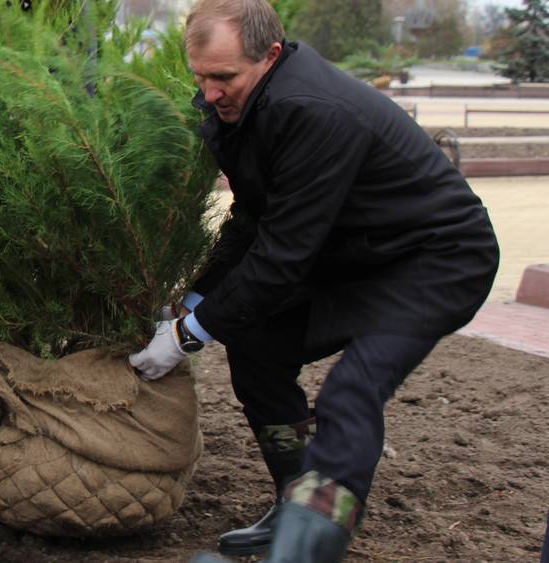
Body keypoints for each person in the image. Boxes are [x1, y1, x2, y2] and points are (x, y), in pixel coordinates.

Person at [128, 0, 499, 561]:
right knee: (256, 348)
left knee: (354, 387)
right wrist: (194, 302)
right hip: (353, 255)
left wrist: (188, 335)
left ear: (270, 55)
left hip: (437, 259)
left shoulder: (313, 110)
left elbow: (282, 257)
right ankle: (291, 500)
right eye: (199, 77)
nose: (207, 93)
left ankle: (314, 534)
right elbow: (253, 219)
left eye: (223, 77)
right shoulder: (241, 107)